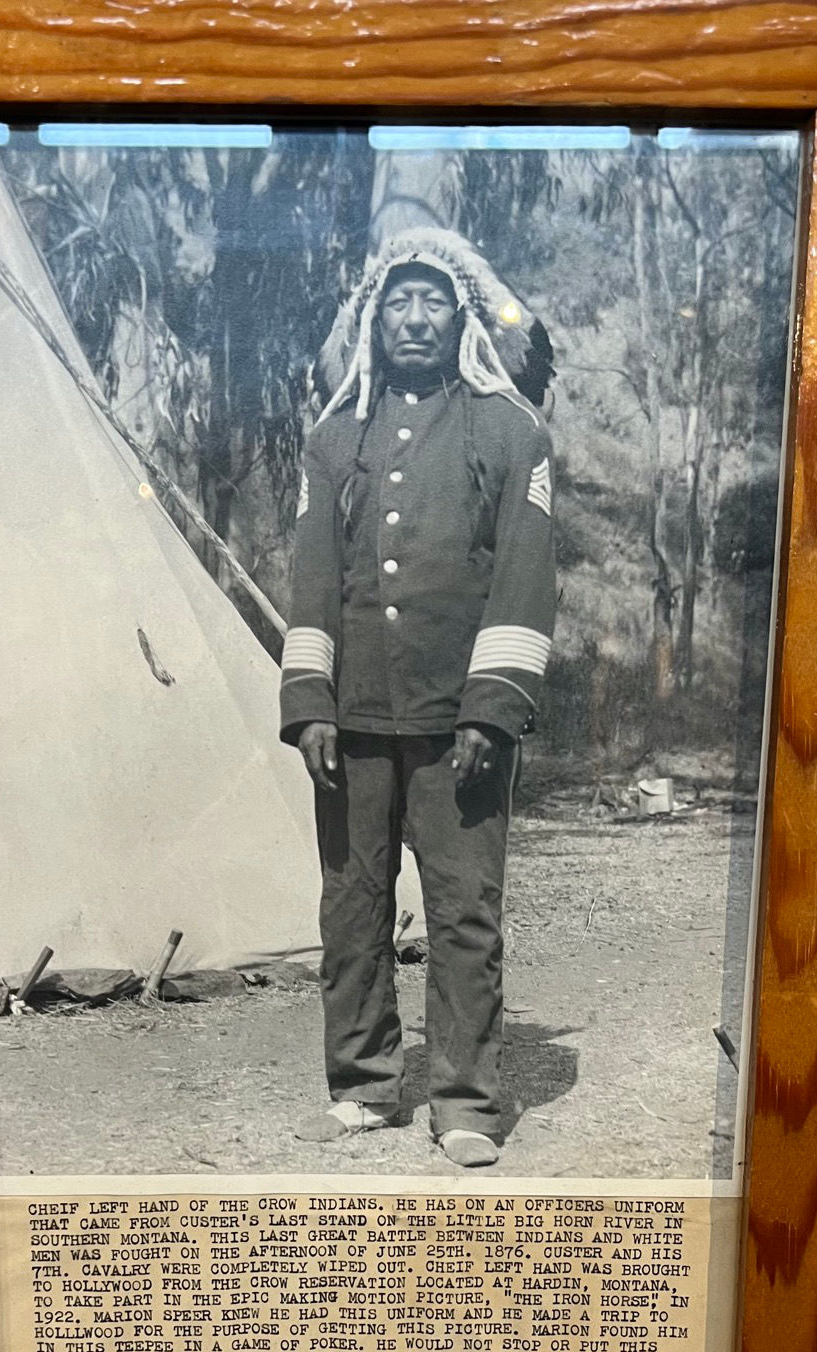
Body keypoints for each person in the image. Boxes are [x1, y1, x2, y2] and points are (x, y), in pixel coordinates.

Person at [280, 230, 556, 1168]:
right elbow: (312, 579)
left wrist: (490, 708)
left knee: (463, 909)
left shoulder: (509, 432)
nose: (414, 317)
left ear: (463, 318)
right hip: (351, 720)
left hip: (460, 723)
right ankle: (362, 1084)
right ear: (371, 318)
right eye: (397, 300)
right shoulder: (332, 439)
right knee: (351, 905)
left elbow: (525, 579)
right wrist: (309, 699)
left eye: (433, 300)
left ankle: (466, 1101)